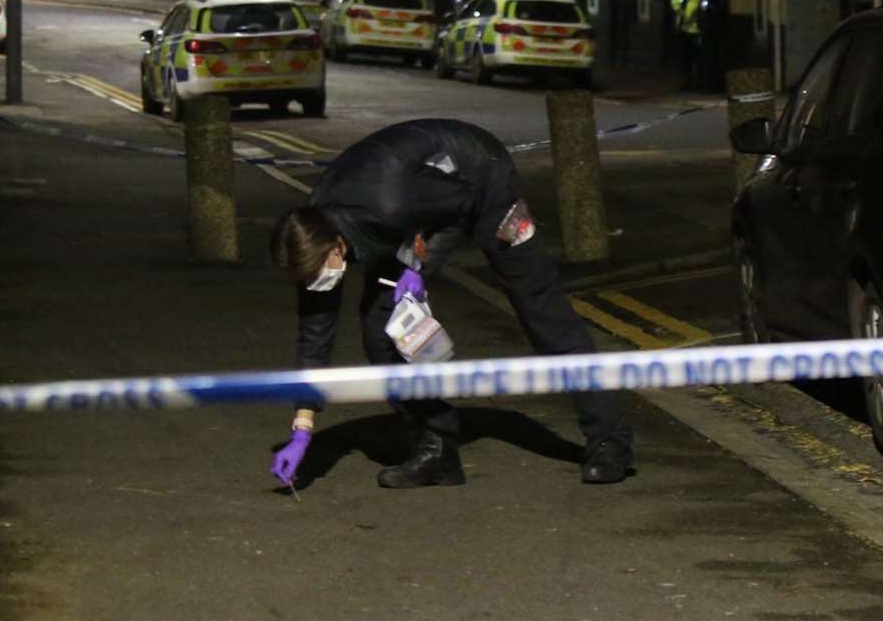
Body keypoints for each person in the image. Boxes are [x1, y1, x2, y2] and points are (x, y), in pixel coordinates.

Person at [267, 119, 635, 490]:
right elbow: (315, 336)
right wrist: (302, 431)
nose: (317, 285)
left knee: (543, 314)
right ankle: (436, 448)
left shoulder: (387, 203)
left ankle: (610, 439)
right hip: (411, 209)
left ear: (335, 248)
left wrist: (418, 269)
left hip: (481, 176)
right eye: (307, 281)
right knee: (382, 331)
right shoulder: (309, 240)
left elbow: (460, 201)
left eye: (318, 275)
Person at [669, 0, 708, 91]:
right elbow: (675, 0)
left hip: (698, 29)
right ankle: (688, 82)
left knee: (700, 59)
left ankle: (700, 83)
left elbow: (710, 4)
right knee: (685, 58)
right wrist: (679, 10)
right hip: (683, 28)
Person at [692, 0, 728, 93]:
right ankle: (705, 85)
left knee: (711, 62)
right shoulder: (705, 2)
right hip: (706, 35)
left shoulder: (712, 3)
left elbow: (712, 20)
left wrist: (704, 31)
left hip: (712, 37)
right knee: (704, 61)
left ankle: (711, 86)